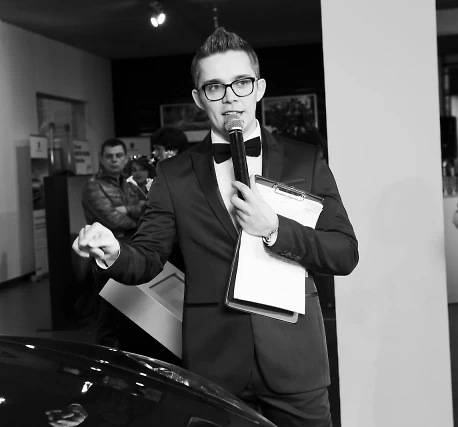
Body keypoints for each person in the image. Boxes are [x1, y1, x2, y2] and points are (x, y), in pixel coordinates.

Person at [73, 27, 358, 427]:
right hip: (215, 365)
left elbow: (344, 252)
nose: (230, 98)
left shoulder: (304, 161)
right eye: (214, 87)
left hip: (295, 359)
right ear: (198, 98)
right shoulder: (174, 174)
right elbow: (149, 258)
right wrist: (114, 251)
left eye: (241, 83)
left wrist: (275, 228)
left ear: (259, 89)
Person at [81, 138, 146, 348]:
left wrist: (128, 210)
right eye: (109, 156)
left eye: (118, 156)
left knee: (131, 314)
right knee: (108, 316)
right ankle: (105, 363)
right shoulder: (93, 186)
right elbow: (112, 220)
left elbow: (148, 207)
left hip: (131, 251)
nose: (114, 160)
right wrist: (138, 218)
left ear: (125, 158)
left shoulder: (130, 184)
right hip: (105, 256)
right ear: (101, 159)